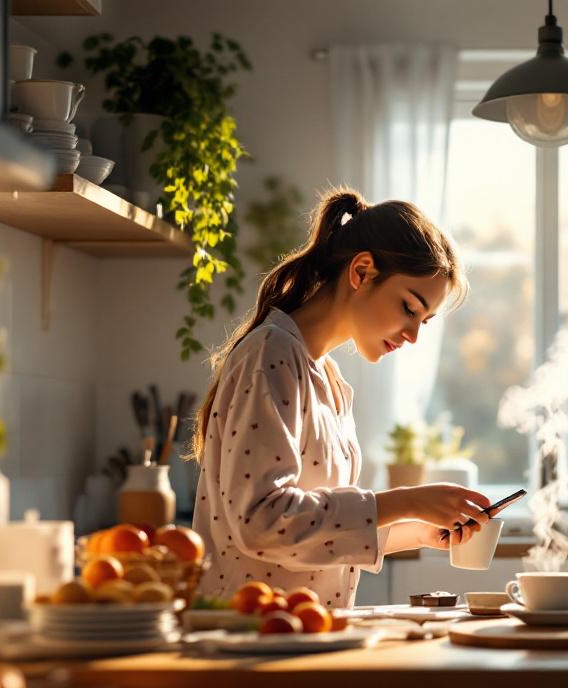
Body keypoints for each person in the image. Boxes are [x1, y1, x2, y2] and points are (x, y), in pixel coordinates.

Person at [190, 187, 492, 608]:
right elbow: (261, 521)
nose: (413, 335)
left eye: (425, 320)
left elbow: (313, 528)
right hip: (251, 642)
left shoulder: (329, 380)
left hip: (302, 638)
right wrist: (406, 500)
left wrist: (417, 529)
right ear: (362, 271)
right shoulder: (270, 355)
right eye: (409, 307)